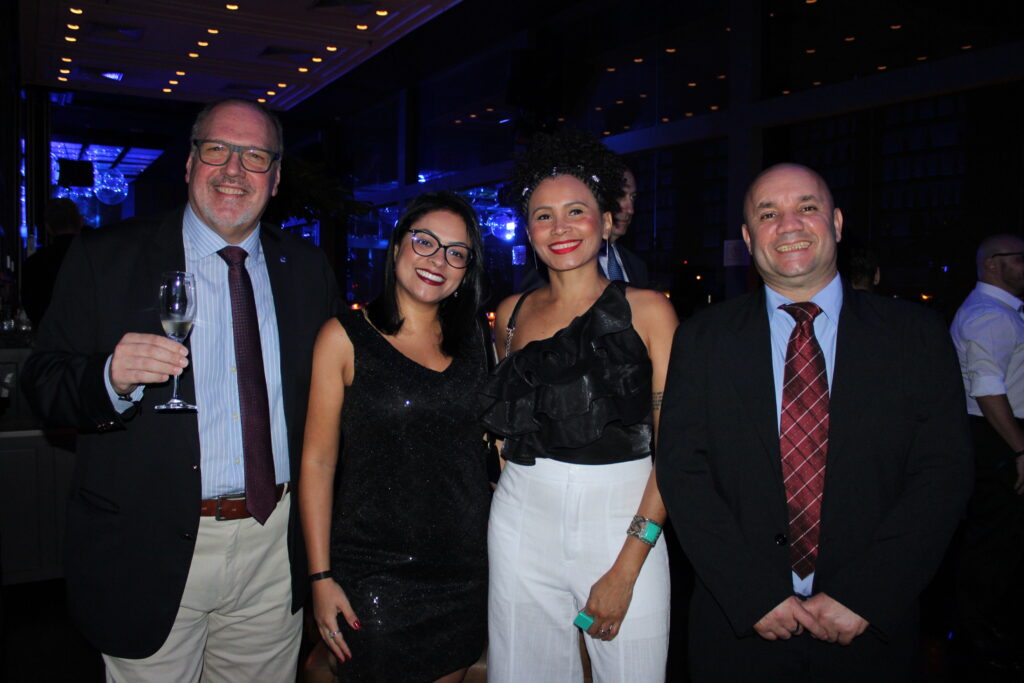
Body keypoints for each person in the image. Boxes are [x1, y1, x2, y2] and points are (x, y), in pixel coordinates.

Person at [21, 98, 340, 681]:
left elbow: (332, 401)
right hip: (147, 543)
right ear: (189, 164)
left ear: (274, 178)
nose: (234, 169)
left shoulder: (307, 269)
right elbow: (42, 384)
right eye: (217, 149)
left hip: (274, 547)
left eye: (254, 155)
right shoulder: (105, 257)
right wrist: (108, 378)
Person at [657, 163, 973, 682]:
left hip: (870, 627)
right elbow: (682, 473)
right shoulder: (702, 339)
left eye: (807, 207)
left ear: (838, 222)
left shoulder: (915, 336)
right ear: (747, 237)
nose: (789, 224)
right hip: (738, 628)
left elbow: (944, 474)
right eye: (768, 213)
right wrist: (752, 594)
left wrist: (868, 592)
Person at [480, 130, 677, 681]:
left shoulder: (651, 311)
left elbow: (675, 449)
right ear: (528, 231)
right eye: (543, 216)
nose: (559, 227)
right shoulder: (509, 314)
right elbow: (505, 423)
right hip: (520, 520)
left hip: (623, 520)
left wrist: (627, 565)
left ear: (607, 221)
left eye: (575, 211)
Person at [300, 191, 491, 682]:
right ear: (397, 246)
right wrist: (320, 577)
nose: (437, 261)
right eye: (424, 242)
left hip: (463, 572)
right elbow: (318, 465)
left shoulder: (478, 345)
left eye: (455, 252)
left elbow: (492, 450)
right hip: (373, 572)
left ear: (467, 270)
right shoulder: (343, 338)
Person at [950, 233, 1024, 667]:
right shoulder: (988, 316)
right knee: (995, 538)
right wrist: (1018, 447)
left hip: (998, 432)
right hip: (995, 434)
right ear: (993, 264)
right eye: (1020, 258)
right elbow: (987, 387)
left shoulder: (999, 313)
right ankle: (977, 631)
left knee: (1000, 536)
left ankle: (983, 624)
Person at [519, 165, 649, 291]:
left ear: (606, 221)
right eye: (619, 196)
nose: (630, 209)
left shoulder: (637, 266)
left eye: (633, 197)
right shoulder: (540, 279)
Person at [22, 197, 84, 328]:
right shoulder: (95, 258)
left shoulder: (34, 263)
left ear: (48, 227)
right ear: (80, 221)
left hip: (49, 337)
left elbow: (32, 308)